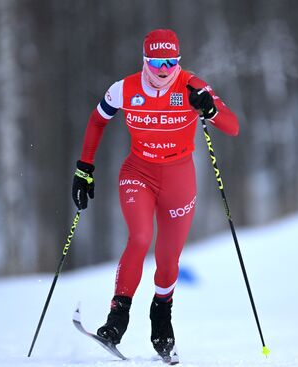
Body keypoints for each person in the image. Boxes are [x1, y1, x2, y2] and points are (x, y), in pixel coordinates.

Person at [72, 28, 239, 359]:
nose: (164, 69)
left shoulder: (192, 86)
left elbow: (233, 126)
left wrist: (210, 109)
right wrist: (84, 168)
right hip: (138, 173)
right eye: (157, 61)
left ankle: (161, 321)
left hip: (179, 180)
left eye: (171, 61)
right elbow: (96, 121)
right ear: (145, 60)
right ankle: (116, 319)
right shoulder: (125, 89)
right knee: (140, 237)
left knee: (168, 258)